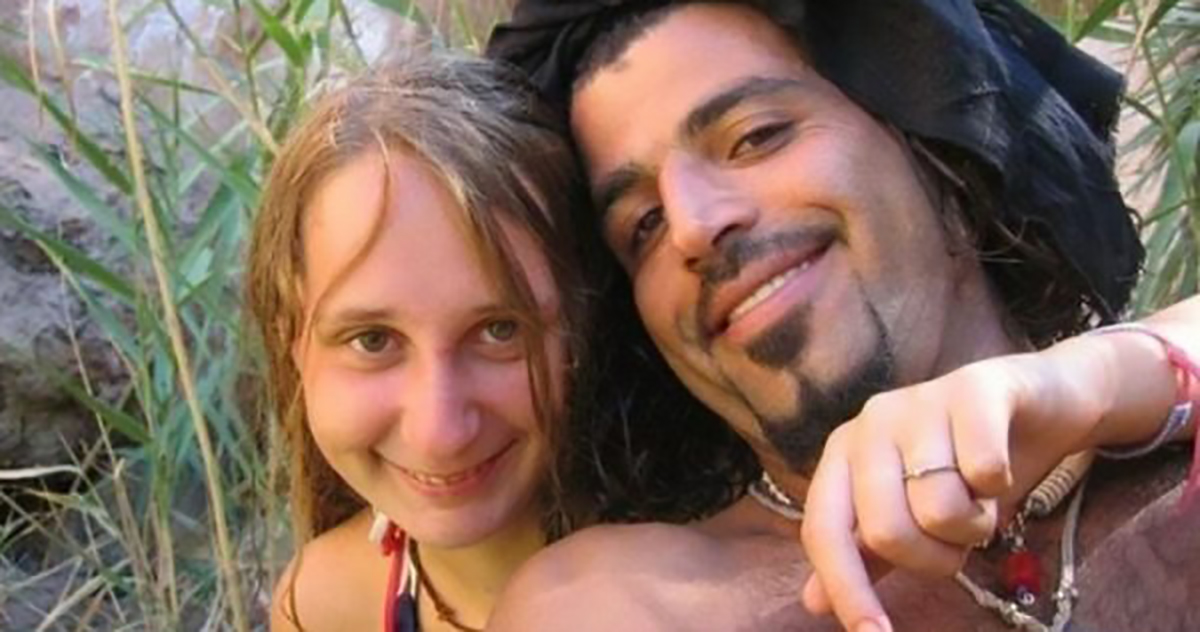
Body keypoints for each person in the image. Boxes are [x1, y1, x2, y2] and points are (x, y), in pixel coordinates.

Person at [485, 1, 1200, 630]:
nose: (692, 227)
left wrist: (1109, 378)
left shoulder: (1154, 410)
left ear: (937, 149)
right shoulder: (624, 606)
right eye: (642, 226)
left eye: (756, 136)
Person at [246, 49, 756, 632]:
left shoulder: (738, 594)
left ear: (587, 324)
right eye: (372, 340)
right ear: (293, 342)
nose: (439, 433)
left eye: (500, 330)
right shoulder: (323, 607)